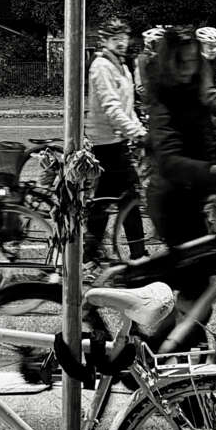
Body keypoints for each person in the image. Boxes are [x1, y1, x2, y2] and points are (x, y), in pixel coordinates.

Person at [142, 29, 216, 320]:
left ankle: (169, 334)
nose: (188, 68)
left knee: (197, 287)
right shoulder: (165, 100)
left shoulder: (191, 91)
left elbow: (202, 129)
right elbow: (170, 160)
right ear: (170, 63)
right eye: (181, 62)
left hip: (190, 198)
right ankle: (161, 333)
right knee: (196, 288)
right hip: (171, 202)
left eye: (192, 61)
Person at [85, 18, 148, 260]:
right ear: (104, 41)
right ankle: (136, 255)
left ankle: (91, 252)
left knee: (110, 199)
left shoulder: (121, 65)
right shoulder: (101, 66)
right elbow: (112, 107)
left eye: (124, 38)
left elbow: (127, 107)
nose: (121, 43)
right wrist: (137, 133)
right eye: (115, 39)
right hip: (105, 141)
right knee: (127, 197)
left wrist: (138, 131)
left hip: (117, 140)